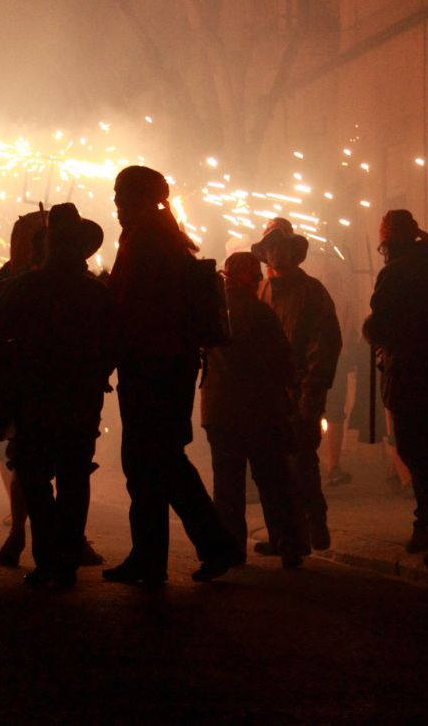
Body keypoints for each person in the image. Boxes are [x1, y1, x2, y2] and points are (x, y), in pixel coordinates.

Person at [102, 166, 237, 585]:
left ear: (140, 199)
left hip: (152, 366)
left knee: (150, 461)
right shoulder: (166, 236)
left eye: (121, 196)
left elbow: (129, 308)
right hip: (171, 365)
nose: (116, 205)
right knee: (159, 460)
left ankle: (202, 547)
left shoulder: (144, 241)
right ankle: (159, 555)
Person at [0, 204, 114, 588]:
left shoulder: (26, 287)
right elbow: (114, 344)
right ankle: (68, 556)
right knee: (74, 476)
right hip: (80, 399)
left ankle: (48, 559)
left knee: (35, 476)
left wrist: (10, 377)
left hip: (35, 399)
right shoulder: (96, 293)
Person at [200, 252, 304, 569]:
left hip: (220, 411)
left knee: (228, 485)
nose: (260, 282)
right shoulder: (260, 313)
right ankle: (286, 541)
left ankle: (231, 549)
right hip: (261, 411)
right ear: (247, 278)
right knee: (272, 480)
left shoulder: (210, 311)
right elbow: (284, 363)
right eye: (257, 277)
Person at [362, 210, 428, 566]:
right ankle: (423, 524)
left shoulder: (393, 274)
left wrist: (370, 328)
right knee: (423, 450)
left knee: (415, 452)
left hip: (410, 375)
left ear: (388, 240)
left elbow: (380, 323)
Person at [252, 217, 341, 553]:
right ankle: (289, 536)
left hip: (300, 392)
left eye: (281, 245)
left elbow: (325, 346)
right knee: (276, 470)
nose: (276, 253)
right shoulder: (261, 291)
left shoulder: (312, 292)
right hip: (270, 396)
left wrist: (310, 397)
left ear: (293, 251)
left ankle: (313, 524)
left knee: (302, 464)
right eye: (270, 246)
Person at [0, 209, 47, 567]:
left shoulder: (20, 281)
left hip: (38, 386)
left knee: (36, 464)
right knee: (27, 463)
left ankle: (29, 535)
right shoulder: (15, 280)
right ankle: (24, 533)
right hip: (29, 388)